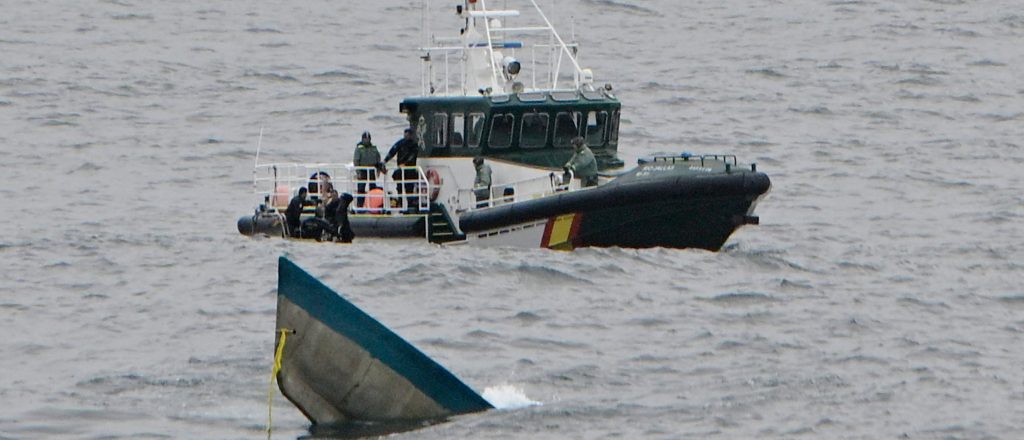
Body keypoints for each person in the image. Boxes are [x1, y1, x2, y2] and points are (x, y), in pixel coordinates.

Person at [384, 128, 420, 211]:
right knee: (399, 187)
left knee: (409, 189)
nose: (406, 136)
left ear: (411, 135)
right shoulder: (400, 143)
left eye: (408, 134)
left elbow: (413, 155)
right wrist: (385, 161)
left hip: (410, 169)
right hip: (400, 170)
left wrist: (405, 164)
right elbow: (392, 151)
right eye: (405, 134)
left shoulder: (414, 145)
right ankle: (400, 204)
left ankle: (410, 207)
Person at [353, 131, 382, 208]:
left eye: (368, 138)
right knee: (361, 189)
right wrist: (358, 172)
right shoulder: (359, 148)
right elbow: (356, 161)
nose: (367, 140)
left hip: (371, 170)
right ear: (362, 139)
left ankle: (373, 205)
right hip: (362, 170)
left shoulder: (373, 148)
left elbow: (378, 158)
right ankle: (360, 206)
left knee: (373, 188)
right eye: (365, 138)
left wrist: (379, 169)